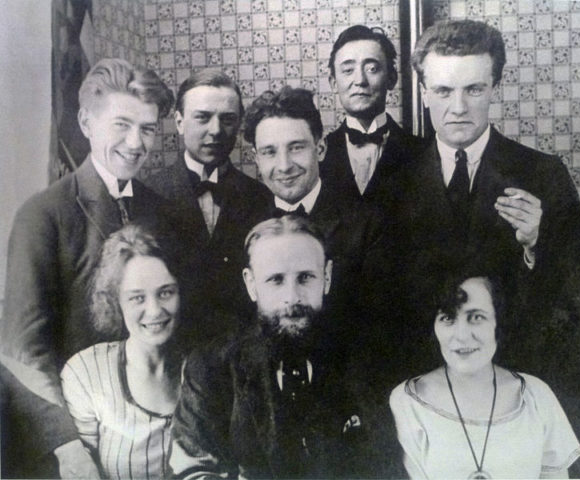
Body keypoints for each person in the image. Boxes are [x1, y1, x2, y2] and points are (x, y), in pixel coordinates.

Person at [0, 58, 174, 478]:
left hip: (157, 436)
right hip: (77, 441)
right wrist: (67, 444)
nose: (136, 143)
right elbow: (23, 350)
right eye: (122, 125)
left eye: (148, 129)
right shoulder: (42, 215)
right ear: (85, 122)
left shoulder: (162, 212)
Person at [401, 20, 580, 358]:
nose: (459, 107)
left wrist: (539, 244)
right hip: (421, 373)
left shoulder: (543, 174)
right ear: (423, 92)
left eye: (474, 89)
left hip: (519, 368)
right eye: (444, 91)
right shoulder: (396, 180)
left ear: (495, 87)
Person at [170, 215, 366, 479]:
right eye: (275, 280)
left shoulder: (359, 360)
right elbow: (193, 471)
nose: (292, 297)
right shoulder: (211, 367)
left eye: (306, 277)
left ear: (327, 277)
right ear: (251, 284)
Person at [390, 272, 580, 478]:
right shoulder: (408, 402)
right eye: (448, 318)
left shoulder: (536, 396)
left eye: (476, 317)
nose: (462, 335)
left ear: (498, 322)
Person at [243, 86, 385, 346]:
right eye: (269, 152)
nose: (284, 165)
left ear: (320, 148)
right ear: (256, 159)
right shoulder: (243, 223)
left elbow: (376, 328)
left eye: (296, 148)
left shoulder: (368, 225)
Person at [145, 70, 272, 326]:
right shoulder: (148, 195)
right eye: (202, 118)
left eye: (227, 120)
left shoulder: (260, 198)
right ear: (179, 122)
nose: (215, 131)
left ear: (238, 124)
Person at [60, 224, 184, 478]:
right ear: (115, 302)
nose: (155, 311)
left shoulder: (204, 368)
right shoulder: (86, 373)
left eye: (166, 293)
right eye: (137, 298)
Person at [321, 25, 428, 216]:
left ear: (391, 78)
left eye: (372, 68)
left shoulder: (424, 154)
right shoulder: (318, 156)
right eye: (348, 70)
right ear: (333, 82)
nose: (360, 80)